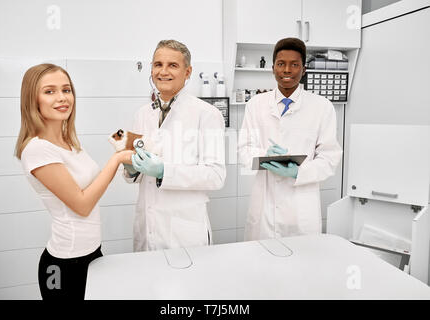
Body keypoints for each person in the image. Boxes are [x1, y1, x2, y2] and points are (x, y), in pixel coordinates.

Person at [15, 63, 133, 300]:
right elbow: (82, 205)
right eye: (49, 91)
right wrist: (118, 159)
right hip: (63, 265)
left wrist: (125, 155)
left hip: (91, 253)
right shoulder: (37, 150)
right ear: (33, 99)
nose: (62, 98)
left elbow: (93, 188)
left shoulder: (70, 143)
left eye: (66, 90)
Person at [123, 39, 226, 252]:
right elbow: (129, 170)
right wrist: (131, 168)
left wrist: (164, 171)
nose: (163, 71)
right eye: (158, 64)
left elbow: (216, 176)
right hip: (147, 225)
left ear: (187, 72)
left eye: (173, 65)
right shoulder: (142, 113)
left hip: (184, 231)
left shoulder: (208, 114)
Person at [238, 37, 342, 240]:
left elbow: (330, 158)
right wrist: (263, 156)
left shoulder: (322, 107)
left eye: (294, 65)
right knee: (261, 266)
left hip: (301, 208)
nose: (287, 70)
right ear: (273, 68)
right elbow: (243, 149)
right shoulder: (256, 105)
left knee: (301, 267)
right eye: (281, 64)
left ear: (303, 70)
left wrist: (298, 172)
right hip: (264, 208)